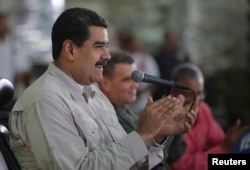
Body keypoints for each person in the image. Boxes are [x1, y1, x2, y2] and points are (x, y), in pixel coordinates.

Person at [8, 7, 197, 170]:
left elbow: (127, 163)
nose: (107, 55)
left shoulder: (94, 93)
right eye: (98, 46)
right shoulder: (45, 100)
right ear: (70, 50)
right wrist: (142, 134)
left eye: (106, 46)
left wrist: (158, 133)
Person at [168, 63, 247, 170]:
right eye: (189, 94)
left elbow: (219, 141)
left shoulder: (203, 109)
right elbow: (182, 166)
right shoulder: (165, 117)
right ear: (173, 92)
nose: (196, 101)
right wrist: (223, 149)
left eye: (199, 93)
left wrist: (234, 141)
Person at [116, 30, 160, 114]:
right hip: (123, 105)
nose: (136, 45)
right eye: (133, 43)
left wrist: (140, 93)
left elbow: (155, 83)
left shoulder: (147, 59)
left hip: (143, 105)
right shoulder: (121, 58)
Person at [153, 30, 189, 101]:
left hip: (180, 91)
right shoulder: (158, 57)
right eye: (170, 38)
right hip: (162, 92)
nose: (172, 41)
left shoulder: (184, 56)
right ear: (165, 40)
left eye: (174, 38)